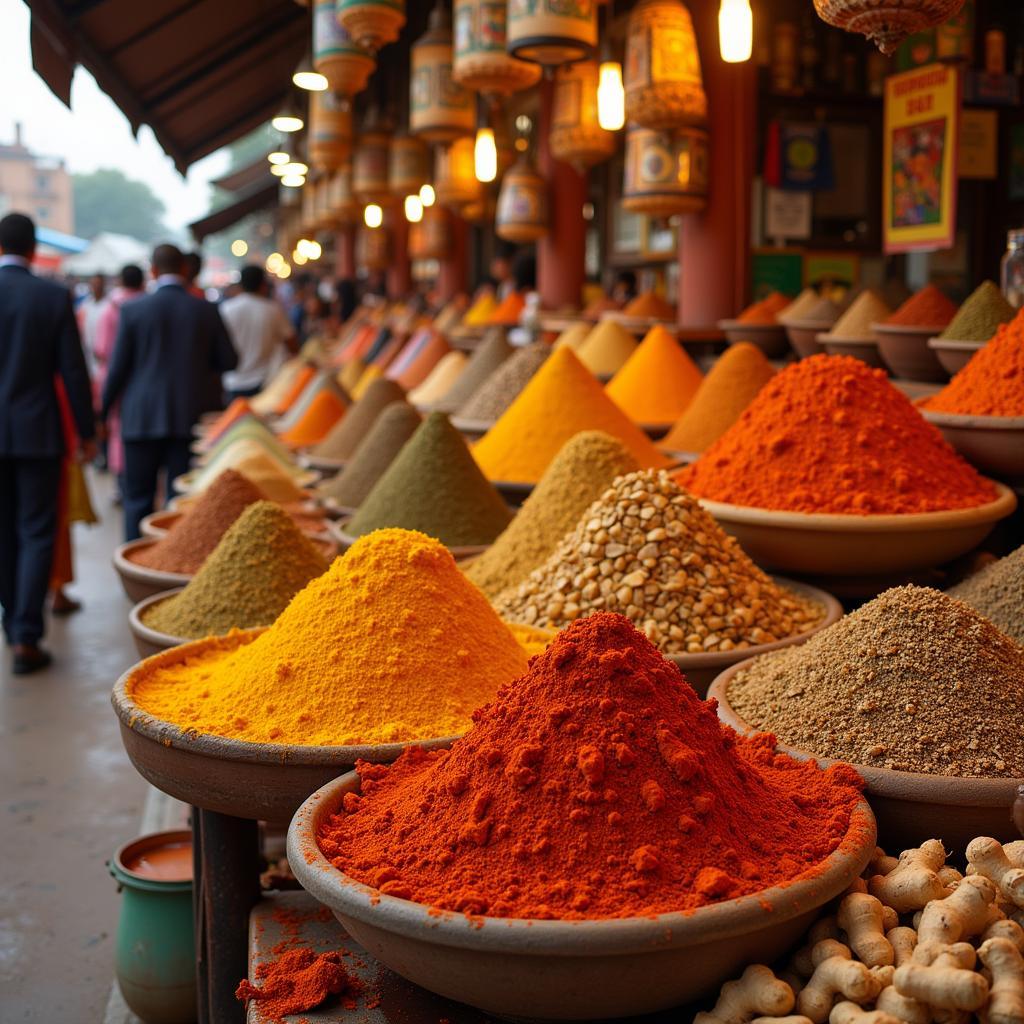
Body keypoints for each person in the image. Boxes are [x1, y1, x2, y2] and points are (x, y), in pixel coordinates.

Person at [0, 213, 95, 674]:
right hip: (38, 432)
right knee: (36, 531)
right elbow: (73, 372)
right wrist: (88, 434)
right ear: (34, 247)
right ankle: (25, 636)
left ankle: (12, 622)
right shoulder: (52, 296)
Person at [102, 243, 237, 541]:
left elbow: (118, 369)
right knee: (180, 502)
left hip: (141, 416)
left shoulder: (133, 310)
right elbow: (229, 360)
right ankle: (175, 567)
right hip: (189, 417)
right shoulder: (205, 309)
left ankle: (135, 568)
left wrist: (101, 414)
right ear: (186, 269)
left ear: (152, 270)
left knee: (137, 498)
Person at [94, 264, 145, 499]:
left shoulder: (111, 310)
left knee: (118, 432)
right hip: (143, 382)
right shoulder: (147, 305)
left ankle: (123, 484)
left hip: (117, 382)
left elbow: (102, 350)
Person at [220, 265, 296, 404]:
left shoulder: (225, 309)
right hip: (265, 382)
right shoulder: (272, 310)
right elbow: (291, 342)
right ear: (263, 285)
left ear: (240, 285)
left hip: (232, 382)